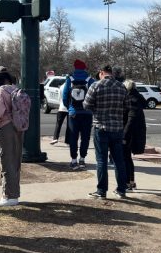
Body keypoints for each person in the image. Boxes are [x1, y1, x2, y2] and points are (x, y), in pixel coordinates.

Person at [84, 65, 128, 199]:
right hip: (117, 128)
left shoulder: (96, 86)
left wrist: (97, 109)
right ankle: (121, 190)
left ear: (102, 73)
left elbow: (86, 105)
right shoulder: (121, 87)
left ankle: (102, 190)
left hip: (101, 126)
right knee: (119, 160)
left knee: (101, 160)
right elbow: (126, 106)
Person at [0, 66, 23, 207]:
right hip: (19, 126)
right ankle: (15, 192)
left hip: (6, 127)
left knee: (6, 160)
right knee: (16, 160)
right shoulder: (16, 89)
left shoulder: (1, 90)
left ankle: (9, 195)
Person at [62, 59, 95, 170]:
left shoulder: (70, 79)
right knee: (85, 137)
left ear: (75, 67)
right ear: (84, 67)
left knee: (73, 137)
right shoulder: (90, 79)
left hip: (74, 113)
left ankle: (73, 160)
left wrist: (70, 107)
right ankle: (82, 159)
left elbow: (65, 95)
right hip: (87, 113)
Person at [123, 79, 147, 191]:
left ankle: (129, 182)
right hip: (137, 132)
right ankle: (131, 181)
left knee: (126, 158)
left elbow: (131, 119)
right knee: (128, 158)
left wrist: (124, 135)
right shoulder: (138, 97)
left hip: (130, 133)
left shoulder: (131, 99)